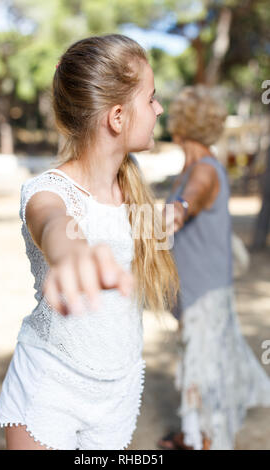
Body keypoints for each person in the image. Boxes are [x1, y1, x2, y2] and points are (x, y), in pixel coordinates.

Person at [0, 34, 179, 450]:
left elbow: (132, 234)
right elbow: (53, 223)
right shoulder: (49, 192)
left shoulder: (131, 192)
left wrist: (171, 218)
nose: (159, 108)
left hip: (118, 388)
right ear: (116, 117)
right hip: (50, 387)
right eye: (151, 98)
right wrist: (70, 254)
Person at [158, 85, 270, 450]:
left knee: (205, 369)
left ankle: (205, 440)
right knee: (196, 363)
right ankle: (193, 435)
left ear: (182, 126)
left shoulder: (204, 171)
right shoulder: (192, 168)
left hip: (204, 294)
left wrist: (166, 216)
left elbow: (180, 210)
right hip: (194, 292)